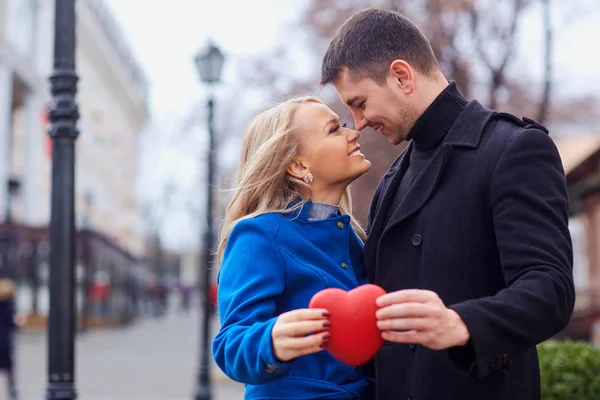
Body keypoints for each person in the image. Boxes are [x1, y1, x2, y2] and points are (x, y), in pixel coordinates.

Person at [320, 8, 574, 400]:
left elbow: (551, 290)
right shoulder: (391, 179)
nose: (359, 122)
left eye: (360, 102)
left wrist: (461, 323)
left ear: (402, 76)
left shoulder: (513, 148)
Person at [212, 96, 374, 399]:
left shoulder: (354, 239)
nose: (353, 133)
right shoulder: (259, 234)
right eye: (334, 129)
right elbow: (230, 344)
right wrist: (270, 341)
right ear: (299, 166)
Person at [0, 279, 23, 400]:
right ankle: (12, 391)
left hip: (3, 340)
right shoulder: (10, 305)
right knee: (9, 369)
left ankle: (13, 391)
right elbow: (14, 323)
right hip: (5, 342)